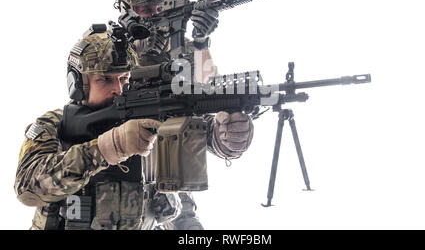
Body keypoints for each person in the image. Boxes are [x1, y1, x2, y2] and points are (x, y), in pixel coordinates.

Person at [14, 26, 254, 229]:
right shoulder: (54, 124)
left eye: (124, 79)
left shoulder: (152, 113)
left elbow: (208, 138)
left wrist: (228, 135)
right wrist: (109, 147)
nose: (118, 89)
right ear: (78, 84)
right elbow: (27, 189)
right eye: (105, 80)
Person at [114, 0, 253, 230]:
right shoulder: (109, 52)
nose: (152, 15)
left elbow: (206, 112)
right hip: (117, 184)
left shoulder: (187, 53)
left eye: (158, 8)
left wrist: (229, 135)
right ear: (127, 11)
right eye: (143, 9)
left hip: (172, 187)